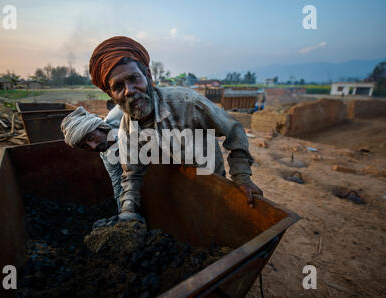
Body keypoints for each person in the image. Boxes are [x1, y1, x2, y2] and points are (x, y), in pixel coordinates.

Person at [89, 36, 263, 214]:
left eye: (134, 79)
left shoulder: (187, 102)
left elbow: (233, 129)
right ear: (111, 96)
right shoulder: (126, 129)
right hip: (173, 187)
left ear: (148, 76)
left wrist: (242, 177)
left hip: (209, 180)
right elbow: (132, 175)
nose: (129, 91)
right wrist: (127, 210)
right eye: (118, 87)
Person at [61, 105, 124, 211]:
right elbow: (118, 184)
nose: (93, 147)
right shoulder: (107, 155)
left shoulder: (123, 112)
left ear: (100, 127)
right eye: (85, 146)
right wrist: (124, 213)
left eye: (91, 137)